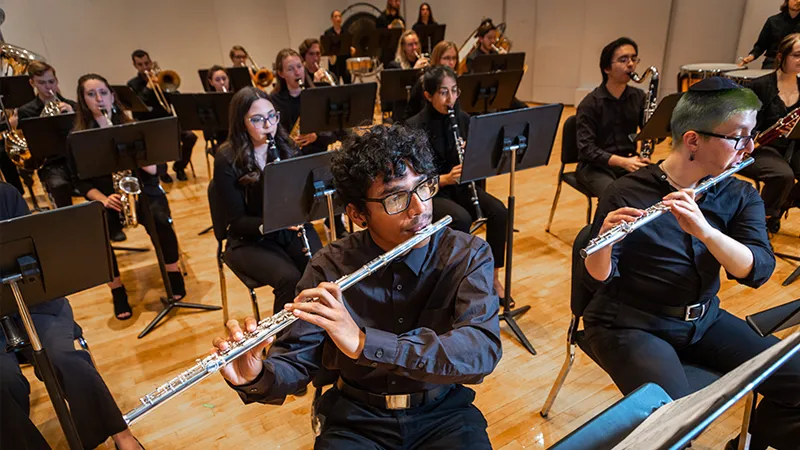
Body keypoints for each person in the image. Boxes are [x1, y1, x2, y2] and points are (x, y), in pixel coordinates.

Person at [214, 124, 501, 449]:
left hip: (444, 413)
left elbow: (481, 350)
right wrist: (257, 376)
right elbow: (297, 360)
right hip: (357, 419)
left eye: (423, 187)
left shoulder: (467, 254)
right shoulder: (329, 266)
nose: (420, 208)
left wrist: (365, 342)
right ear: (358, 214)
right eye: (396, 198)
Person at [583, 77, 800, 450]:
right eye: (738, 136)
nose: (749, 146)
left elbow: (758, 269)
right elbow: (598, 278)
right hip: (631, 323)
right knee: (676, 423)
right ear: (693, 140)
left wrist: (707, 233)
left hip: (704, 319)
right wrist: (605, 242)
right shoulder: (627, 191)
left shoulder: (739, 193)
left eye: (751, 134)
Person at [0, 182, 144, 450]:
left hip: (32, 300)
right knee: (3, 381)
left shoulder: (5, 193)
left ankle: (121, 434)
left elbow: (32, 253)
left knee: (64, 357)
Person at [72, 73, 187, 320]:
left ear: (112, 96)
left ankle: (172, 272)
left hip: (142, 192)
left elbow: (157, 170)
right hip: (105, 197)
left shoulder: (134, 127)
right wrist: (102, 199)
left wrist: (142, 156)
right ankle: (117, 289)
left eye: (103, 92)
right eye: (91, 94)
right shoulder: (79, 138)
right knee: (97, 234)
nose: (99, 99)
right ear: (83, 101)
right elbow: (79, 180)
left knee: (160, 220)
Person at [213, 86, 323, 314]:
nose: (268, 125)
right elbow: (237, 221)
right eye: (257, 119)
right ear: (240, 121)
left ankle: (314, 331)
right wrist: (273, 223)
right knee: (289, 278)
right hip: (249, 238)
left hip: (289, 229)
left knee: (320, 269)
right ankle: (283, 343)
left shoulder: (288, 148)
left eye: (272, 116)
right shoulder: (227, 158)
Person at [407, 65, 510, 302]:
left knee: (500, 212)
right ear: (428, 95)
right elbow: (412, 178)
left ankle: (493, 278)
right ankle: (459, 283)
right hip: (432, 193)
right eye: (443, 92)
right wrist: (443, 180)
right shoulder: (415, 127)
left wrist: (471, 155)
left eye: (454, 91)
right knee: (461, 218)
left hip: (460, 186)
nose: (450, 99)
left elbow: (481, 163)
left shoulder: (463, 119)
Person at [740, 33, 800, 233]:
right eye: (798, 55)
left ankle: (782, 203)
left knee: (787, 175)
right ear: (782, 57)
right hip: (759, 147)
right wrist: (758, 135)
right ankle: (757, 226)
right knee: (783, 175)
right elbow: (741, 122)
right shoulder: (760, 86)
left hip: (793, 148)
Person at [576, 37, 648, 199]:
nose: (630, 64)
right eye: (623, 60)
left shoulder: (638, 96)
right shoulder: (590, 104)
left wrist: (657, 127)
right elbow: (586, 149)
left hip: (629, 162)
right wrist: (623, 162)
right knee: (615, 195)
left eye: (633, 58)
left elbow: (648, 133)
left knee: (655, 188)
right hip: (595, 167)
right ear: (607, 68)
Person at [127, 49, 197, 182]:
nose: (145, 67)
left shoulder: (160, 78)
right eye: (140, 64)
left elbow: (176, 99)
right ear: (135, 66)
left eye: (147, 63)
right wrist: (148, 88)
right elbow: (137, 106)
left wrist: (169, 87)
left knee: (190, 137)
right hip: (149, 126)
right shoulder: (133, 84)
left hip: (168, 121)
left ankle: (180, 166)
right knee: (158, 144)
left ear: (151, 62)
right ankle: (162, 172)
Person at [15, 61, 77, 209]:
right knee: (59, 185)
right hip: (51, 164)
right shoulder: (26, 111)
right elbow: (34, 146)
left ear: (57, 80)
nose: (48, 87)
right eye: (42, 83)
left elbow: (85, 136)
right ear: (32, 83)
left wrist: (72, 116)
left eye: (51, 81)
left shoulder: (72, 105)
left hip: (76, 159)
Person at [405, 40, 458, 119]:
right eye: (446, 58)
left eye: (454, 58)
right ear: (437, 59)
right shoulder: (423, 82)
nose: (451, 62)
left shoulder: (457, 80)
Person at [740, 0, 800, 69]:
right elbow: (761, 45)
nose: (798, 1)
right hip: (773, 62)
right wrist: (751, 56)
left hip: (797, 63)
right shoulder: (773, 21)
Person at [205, 65, 231, 155]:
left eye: (224, 79)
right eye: (217, 80)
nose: (222, 82)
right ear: (211, 82)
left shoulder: (237, 97)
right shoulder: (208, 102)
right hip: (222, 138)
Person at [323, 10, 352, 85]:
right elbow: (325, 48)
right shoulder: (328, 33)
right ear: (332, 19)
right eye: (336, 16)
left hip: (345, 61)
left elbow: (350, 46)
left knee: (348, 83)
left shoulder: (346, 32)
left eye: (339, 16)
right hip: (334, 63)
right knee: (335, 84)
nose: (338, 18)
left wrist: (352, 49)